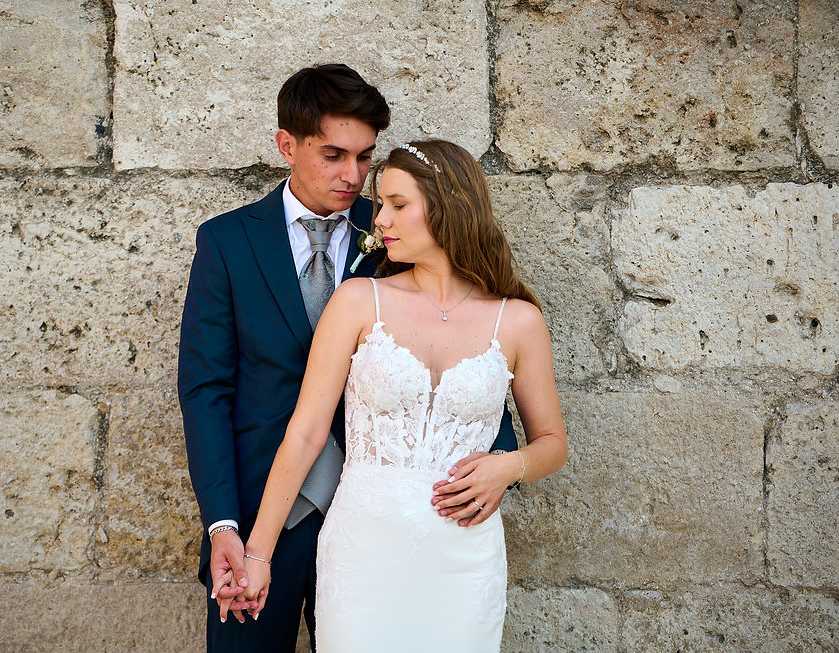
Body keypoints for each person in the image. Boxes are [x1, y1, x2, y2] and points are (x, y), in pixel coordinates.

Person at [177, 67, 519, 652]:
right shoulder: (227, 242)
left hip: (381, 525)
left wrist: (499, 463)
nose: (353, 176)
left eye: (364, 157)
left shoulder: (402, 228)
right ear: (287, 145)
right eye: (333, 155)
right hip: (263, 513)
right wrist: (223, 524)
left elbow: (464, 339)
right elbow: (206, 391)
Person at [240, 140, 568, 652]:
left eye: (398, 204)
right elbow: (304, 435)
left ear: (447, 206)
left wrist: (509, 466)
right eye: (381, 205)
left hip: (464, 562)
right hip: (363, 554)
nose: (380, 221)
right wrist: (258, 554)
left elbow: (552, 443)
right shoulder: (358, 301)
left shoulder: (518, 321)